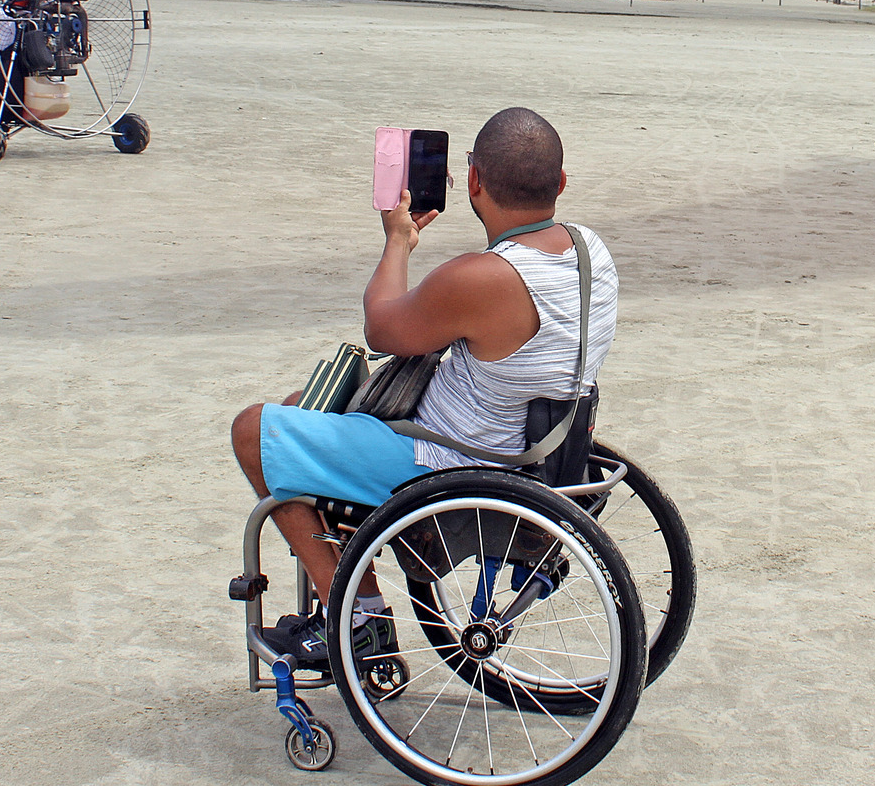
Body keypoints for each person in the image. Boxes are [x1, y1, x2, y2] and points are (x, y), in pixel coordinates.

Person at [230, 107, 620, 664]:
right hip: (540, 451)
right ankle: (349, 593)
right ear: (560, 184)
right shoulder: (590, 250)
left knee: (255, 430)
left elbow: (381, 327)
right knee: (302, 410)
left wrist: (398, 241)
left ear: (474, 182)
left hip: (451, 461)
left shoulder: (481, 277)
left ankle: (359, 618)